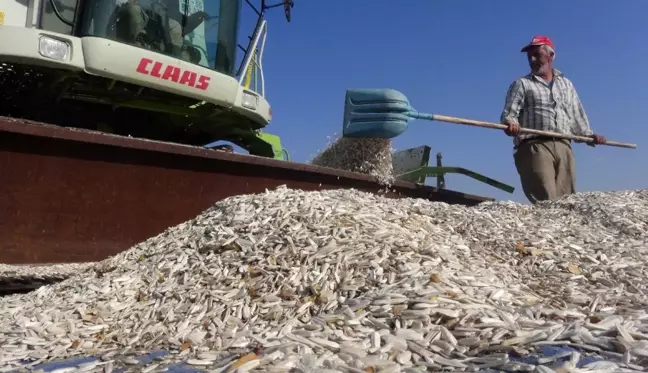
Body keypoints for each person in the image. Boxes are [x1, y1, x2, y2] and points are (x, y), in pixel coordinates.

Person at [500, 35, 607, 204]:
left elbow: (576, 114)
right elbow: (509, 114)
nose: (532, 60)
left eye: (537, 55)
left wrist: (589, 135)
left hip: (564, 145)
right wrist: (510, 123)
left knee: (566, 203)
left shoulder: (566, 84)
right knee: (546, 201)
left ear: (551, 56)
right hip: (535, 146)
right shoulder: (522, 84)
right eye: (530, 57)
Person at [108, 0, 207, 63]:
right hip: (121, 23)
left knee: (175, 26)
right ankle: (138, 48)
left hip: (155, 31)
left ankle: (174, 60)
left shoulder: (172, 5)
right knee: (133, 10)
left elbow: (175, 19)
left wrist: (196, 18)